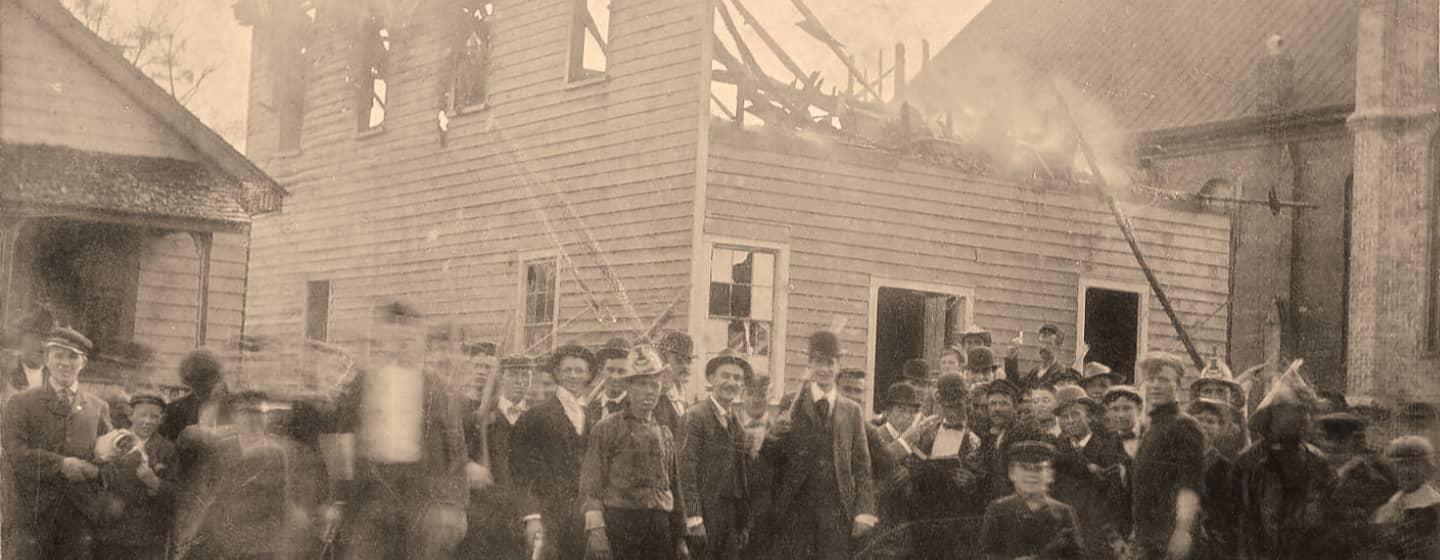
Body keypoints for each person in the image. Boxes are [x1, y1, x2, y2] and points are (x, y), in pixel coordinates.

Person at [324, 302, 470, 560]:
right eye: (394, 336)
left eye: (409, 337)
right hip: (371, 493)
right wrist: (336, 499)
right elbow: (342, 441)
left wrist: (455, 505)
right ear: (383, 339)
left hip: (420, 494)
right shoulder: (363, 382)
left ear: (419, 340)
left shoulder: (436, 387)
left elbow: (455, 449)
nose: (402, 343)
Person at [754, 330, 876, 559]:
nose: (824, 369)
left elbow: (862, 467)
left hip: (837, 514)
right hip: (795, 511)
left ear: (838, 366)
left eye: (830, 363)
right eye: (818, 362)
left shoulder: (852, 411)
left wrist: (864, 511)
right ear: (809, 364)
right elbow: (771, 458)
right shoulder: (791, 403)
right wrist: (774, 433)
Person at [1, 327, 112, 560]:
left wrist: (97, 471)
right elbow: (13, 453)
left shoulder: (97, 407)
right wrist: (60, 464)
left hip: (78, 519)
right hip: (32, 517)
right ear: (46, 359)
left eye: (73, 356)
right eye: (58, 355)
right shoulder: (22, 403)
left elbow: (111, 458)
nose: (65, 363)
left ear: (83, 363)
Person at [580, 345, 688, 560]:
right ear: (628, 388)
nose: (649, 391)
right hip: (620, 525)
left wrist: (680, 537)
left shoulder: (664, 433)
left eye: (654, 385)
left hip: (659, 528)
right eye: (641, 384)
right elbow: (591, 485)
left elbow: (674, 487)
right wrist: (597, 531)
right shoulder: (607, 428)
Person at [512, 343, 599, 560]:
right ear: (557, 373)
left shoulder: (593, 417)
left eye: (579, 370)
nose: (573, 376)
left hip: (582, 516)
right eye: (567, 370)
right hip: (548, 515)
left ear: (588, 375)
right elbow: (522, 472)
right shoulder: (535, 416)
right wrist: (532, 516)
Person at [1234, 369, 1332, 560]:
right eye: (1296, 410)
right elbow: (1240, 521)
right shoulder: (1249, 462)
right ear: (1274, 414)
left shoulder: (1316, 462)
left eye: (1306, 410)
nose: (1305, 418)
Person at [459, 354, 534, 559]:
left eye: (526, 375)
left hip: (522, 512)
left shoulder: (536, 418)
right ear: (501, 377)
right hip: (484, 512)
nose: (520, 381)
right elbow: (456, 453)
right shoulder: (479, 417)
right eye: (514, 375)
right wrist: (469, 466)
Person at [1131, 353, 1206, 560]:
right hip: (1147, 538)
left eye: (1163, 380)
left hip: (1170, 539)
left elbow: (1189, 485)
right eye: (1151, 380)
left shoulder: (1185, 426)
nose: (1155, 385)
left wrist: (1182, 532)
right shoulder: (1152, 427)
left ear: (1178, 385)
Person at [906, 373, 987, 560]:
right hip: (928, 517)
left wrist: (972, 482)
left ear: (966, 401)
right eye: (947, 407)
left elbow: (986, 477)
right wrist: (915, 469)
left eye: (958, 406)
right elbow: (916, 462)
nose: (953, 414)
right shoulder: (928, 431)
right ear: (940, 404)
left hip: (960, 520)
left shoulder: (979, 433)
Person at [680, 354, 753, 560]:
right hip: (705, 514)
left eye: (738, 378)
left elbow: (742, 475)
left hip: (730, 516)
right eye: (725, 376)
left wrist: (742, 521)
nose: (732, 383)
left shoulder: (736, 422)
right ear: (711, 379)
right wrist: (694, 518)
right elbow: (686, 471)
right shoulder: (695, 417)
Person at [93, 393, 177, 560]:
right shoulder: (113, 440)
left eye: (154, 416)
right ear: (131, 415)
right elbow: (95, 477)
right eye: (142, 414)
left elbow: (177, 492)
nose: (148, 421)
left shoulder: (168, 449)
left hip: (147, 536)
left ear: (161, 419)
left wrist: (154, 482)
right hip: (111, 531)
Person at [979, 440, 1084, 560]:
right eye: (1024, 468)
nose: (1031, 475)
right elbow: (988, 554)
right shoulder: (998, 509)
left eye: (1039, 469)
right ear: (1012, 473)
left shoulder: (1063, 512)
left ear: (1050, 475)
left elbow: (1078, 556)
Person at [1053, 396, 1129, 560]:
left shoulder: (1109, 446)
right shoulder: (1057, 449)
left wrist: (1114, 534)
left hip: (1098, 534)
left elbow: (1115, 496)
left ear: (1090, 417)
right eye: (1064, 417)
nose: (1070, 421)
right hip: (1065, 534)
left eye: (1075, 415)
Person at [1315, 411, 1397, 560]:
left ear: (1354, 441)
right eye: (1327, 439)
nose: (1331, 446)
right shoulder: (1317, 473)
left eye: (1339, 440)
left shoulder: (1373, 479)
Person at [1186, 399, 1239, 560]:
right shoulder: (1175, 462)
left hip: (1210, 542)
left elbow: (1229, 511)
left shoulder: (1225, 468)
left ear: (1220, 427)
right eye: (1198, 420)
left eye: (1210, 421)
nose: (1203, 425)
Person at [1372, 436, 1440, 560]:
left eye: (1413, 464)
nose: (1405, 471)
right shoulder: (1386, 508)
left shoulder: (1435, 507)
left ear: (1429, 468)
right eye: (1399, 465)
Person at [157, 349, 230, 444]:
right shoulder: (175, 410)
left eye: (205, 385)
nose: (198, 391)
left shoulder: (235, 407)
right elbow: (165, 446)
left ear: (217, 378)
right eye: (194, 385)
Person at [2, 310, 51, 405]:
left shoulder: (55, 376)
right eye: (36, 337)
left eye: (47, 339)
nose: (43, 344)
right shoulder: (5, 373)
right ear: (21, 338)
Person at [1005, 324, 1069, 389]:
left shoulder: (1061, 373)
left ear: (1058, 347)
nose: (1043, 347)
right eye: (1041, 343)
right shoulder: (1034, 372)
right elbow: (1015, 387)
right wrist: (1011, 359)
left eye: (1049, 344)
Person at [656, 331, 695, 432]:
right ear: (664, 360)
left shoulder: (684, 394)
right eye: (679, 360)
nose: (685, 366)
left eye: (688, 361)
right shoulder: (658, 396)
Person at [588, 341, 632, 427]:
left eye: (621, 372)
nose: (615, 377)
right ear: (601, 371)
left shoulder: (633, 408)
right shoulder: (591, 407)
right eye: (610, 370)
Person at [1102, 386, 1144, 459]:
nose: (1121, 415)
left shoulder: (1151, 433)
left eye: (1127, 408)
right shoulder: (1105, 441)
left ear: (1139, 409)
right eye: (1115, 409)